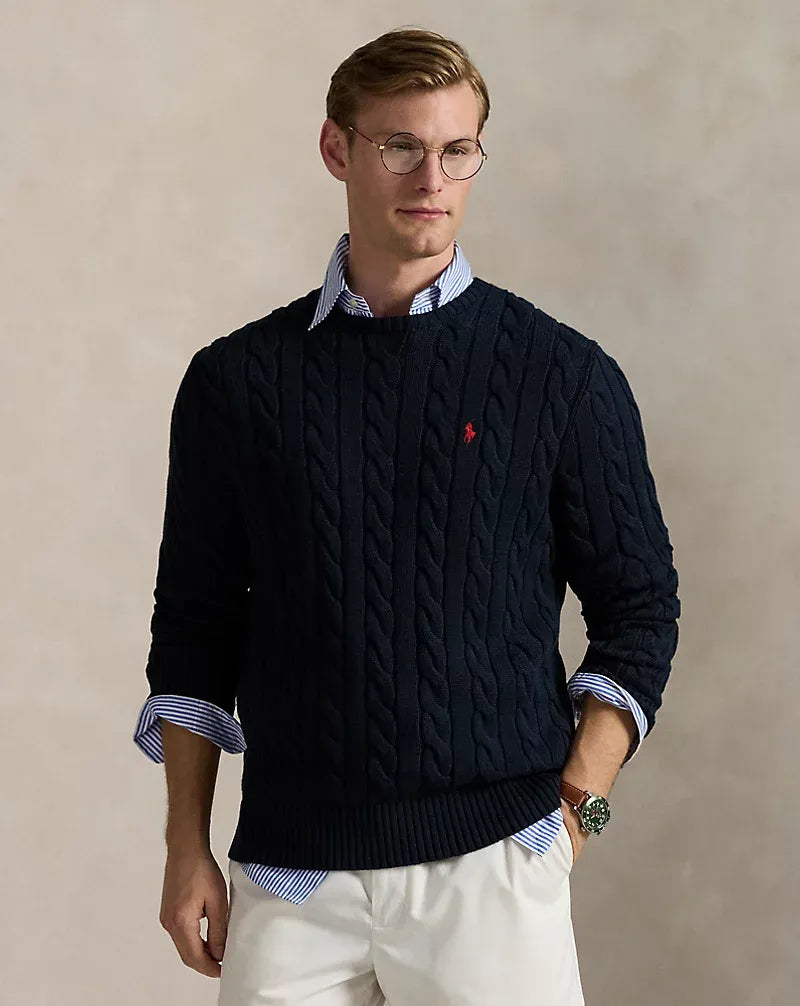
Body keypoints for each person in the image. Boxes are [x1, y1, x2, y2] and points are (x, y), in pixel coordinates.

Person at [133, 26, 680, 1006]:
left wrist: (580, 808)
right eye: (400, 146)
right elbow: (194, 631)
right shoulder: (235, 384)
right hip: (291, 877)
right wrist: (186, 847)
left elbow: (639, 609)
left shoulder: (561, 375)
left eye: (457, 150)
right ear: (336, 148)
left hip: (493, 867)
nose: (432, 178)